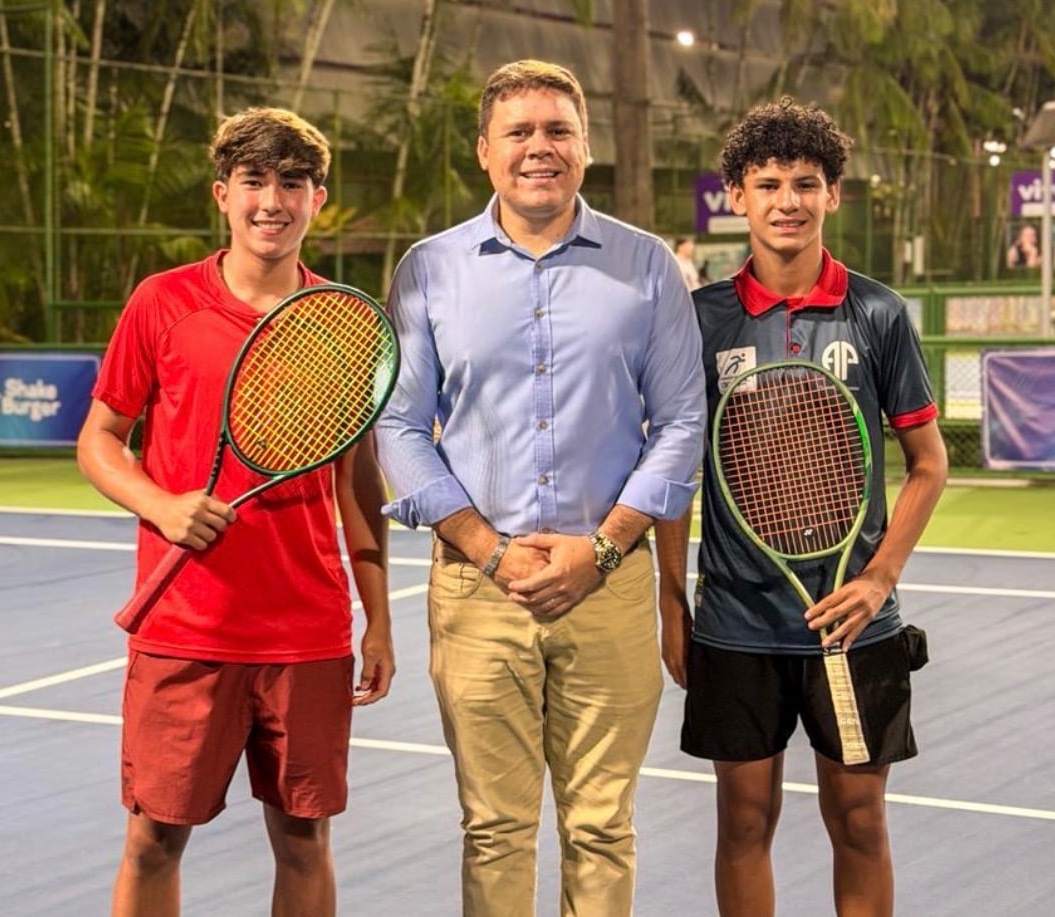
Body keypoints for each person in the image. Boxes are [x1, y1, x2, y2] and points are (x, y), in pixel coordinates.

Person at [375, 59, 706, 916]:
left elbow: (678, 424)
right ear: (485, 152)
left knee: (601, 827)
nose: (538, 148)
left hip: (610, 585)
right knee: (494, 827)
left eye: (557, 130)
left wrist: (601, 547)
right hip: (480, 591)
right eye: (518, 132)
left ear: (584, 148)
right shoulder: (428, 269)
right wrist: (489, 551)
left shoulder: (648, 267)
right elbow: (400, 428)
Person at [76, 107, 395, 917]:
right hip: (186, 626)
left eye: (293, 183)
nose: (272, 201)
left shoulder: (344, 326)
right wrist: (161, 503)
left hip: (307, 628)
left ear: (318, 198)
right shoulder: (163, 303)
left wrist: (379, 618)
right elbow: (101, 439)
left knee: (303, 840)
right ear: (223, 194)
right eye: (254, 181)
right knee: (154, 839)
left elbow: (357, 485)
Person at [661, 97, 948, 916]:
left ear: (833, 196)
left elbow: (929, 464)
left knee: (859, 820)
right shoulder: (701, 320)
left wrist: (878, 579)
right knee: (743, 819)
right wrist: (670, 600)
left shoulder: (879, 313)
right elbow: (679, 470)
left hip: (858, 626)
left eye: (806, 182)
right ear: (738, 198)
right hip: (735, 626)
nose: (788, 199)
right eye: (768, 182)